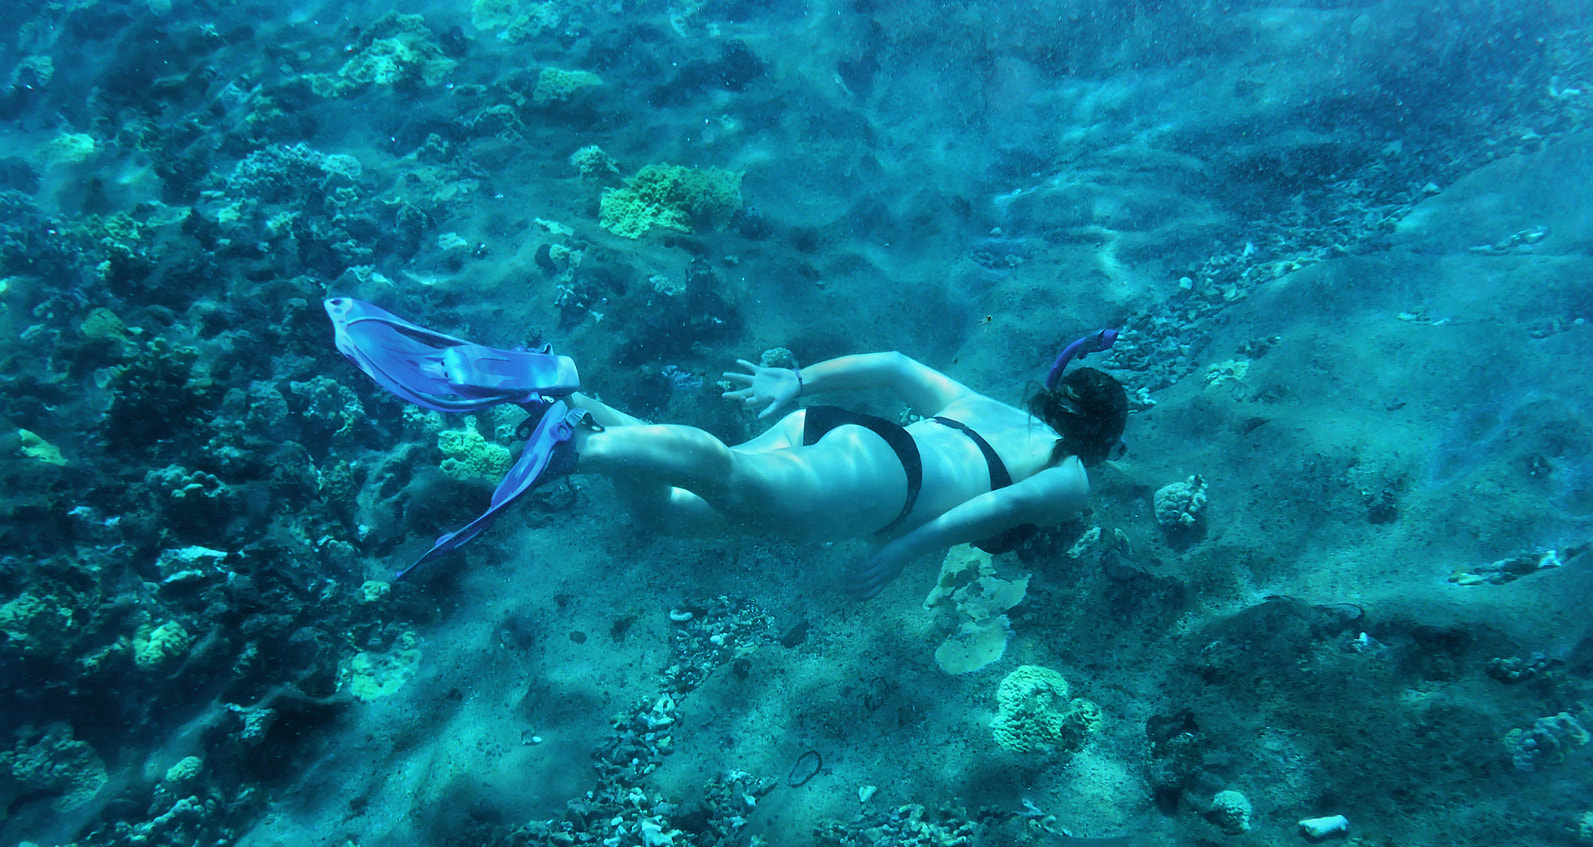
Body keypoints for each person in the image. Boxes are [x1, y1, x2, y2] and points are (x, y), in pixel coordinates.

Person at [324, 299, 1128, 594]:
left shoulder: (990, 403)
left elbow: (891, 366)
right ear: (1100, 437)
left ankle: (575, 404)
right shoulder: (1072, 475)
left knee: (673, 514)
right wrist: (904, 554)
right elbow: (1000, 507)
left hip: (854, 437)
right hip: (887, 485)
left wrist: (798, 386)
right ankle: (576, 449)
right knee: (731, 476)